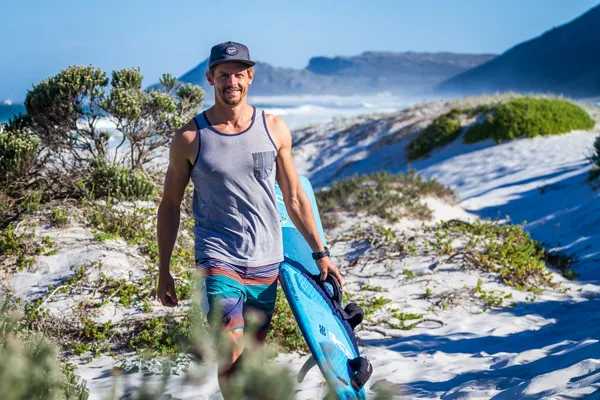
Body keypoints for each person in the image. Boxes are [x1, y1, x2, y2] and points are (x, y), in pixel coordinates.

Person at [156, 41, 344, 394]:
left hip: (266, 261)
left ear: (250, 77)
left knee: (250, 361)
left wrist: (321, 252)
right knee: (230, 352)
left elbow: (294, 197)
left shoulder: (273, 129)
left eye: (239, 74)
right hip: (218, 259)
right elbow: (169, 204)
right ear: (210, 78)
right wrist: (163, 268)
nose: (232, 81)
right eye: (223, 74)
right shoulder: (190, 138)